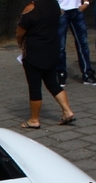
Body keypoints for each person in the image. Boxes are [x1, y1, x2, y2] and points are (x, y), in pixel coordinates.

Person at [17, 0, 76, 128]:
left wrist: (20, 42)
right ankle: (67, 111)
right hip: (52, 47)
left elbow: (20, 32)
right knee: (52, 82)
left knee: (34, 86)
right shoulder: (54, 5)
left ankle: (34, 120)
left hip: (34, 51)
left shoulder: (31, 8)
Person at [56, 0, 96, 86]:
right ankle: (61, 73)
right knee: (60, 45)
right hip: (61, 11)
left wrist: (86, 3)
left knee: (83, 43)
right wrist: (55, 7)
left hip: (77, 10)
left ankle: (87, 74)